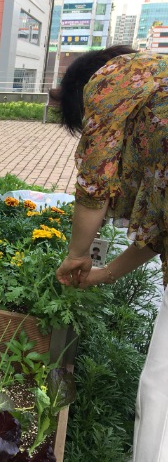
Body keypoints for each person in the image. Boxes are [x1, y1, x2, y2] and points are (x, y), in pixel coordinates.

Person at [53, 45, 168, 461]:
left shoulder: (116, 77)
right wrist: (102, 275)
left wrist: (76, 253)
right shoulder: (157, 79)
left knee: (160, 403)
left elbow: (95, 180)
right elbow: (157, 231)